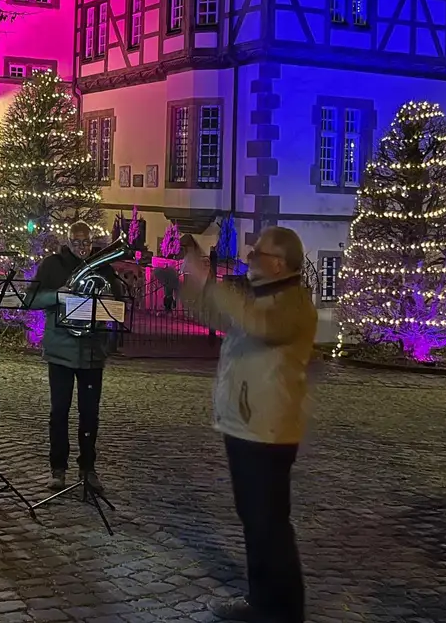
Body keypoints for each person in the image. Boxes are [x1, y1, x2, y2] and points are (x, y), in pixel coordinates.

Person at [183, 225, 317, 623]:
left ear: (279, 263)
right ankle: (262, 601)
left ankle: (285, 610)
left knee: (270, 523)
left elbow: (259, 326)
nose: (249, 257)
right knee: (254, 520)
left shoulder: (291, 304)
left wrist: (210, 280)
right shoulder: (263, 297)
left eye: (257, 253)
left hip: (268, 431)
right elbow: (218, 314)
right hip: (245, 425)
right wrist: (188, 283)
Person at [27, 221, 119, 493]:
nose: (82, 247)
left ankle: (88, 468)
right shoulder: (52, 265)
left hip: (92, 352)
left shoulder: (101, 265)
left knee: (90, 414)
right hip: (61, 351)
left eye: (86, 242)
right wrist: (58, 295)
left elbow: (117, 300)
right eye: (77, 242)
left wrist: (110, 293)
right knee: (59, 412)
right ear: (68, 241)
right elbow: (31, 298)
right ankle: (58, 469)